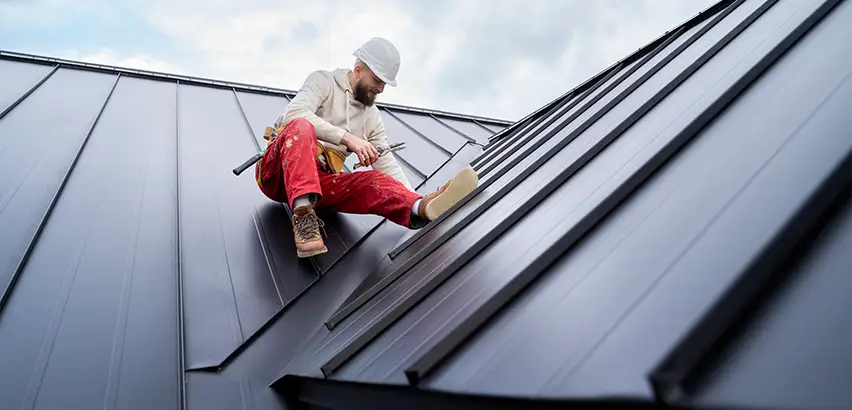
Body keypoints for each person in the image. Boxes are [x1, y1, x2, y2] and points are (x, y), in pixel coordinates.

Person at [255, 37, 479, 258]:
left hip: (319, 184)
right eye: (377, 80)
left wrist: (409, 197)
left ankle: (422, 207)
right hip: (278, 174)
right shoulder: (323, 81)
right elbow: (294, 114)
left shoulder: (372, 118)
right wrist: (349, 139)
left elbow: (387, 165)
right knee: (301, 126)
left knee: (373, 181)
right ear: (358, 69)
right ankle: (303, 216)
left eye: (384, 83)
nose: (381, 88)